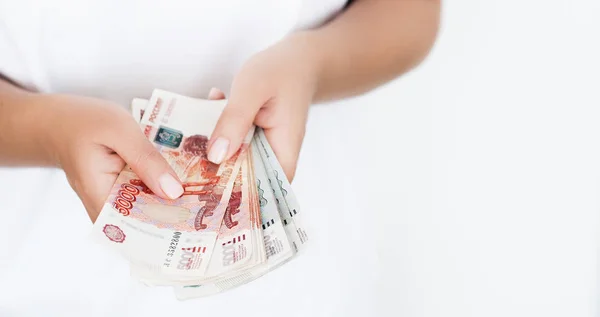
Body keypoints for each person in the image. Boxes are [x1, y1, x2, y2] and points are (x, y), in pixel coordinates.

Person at [0, 0, 441, 223]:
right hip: (44, 265)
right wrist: (45, 130)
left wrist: (314, 63)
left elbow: (411, 12)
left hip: (303, 262)